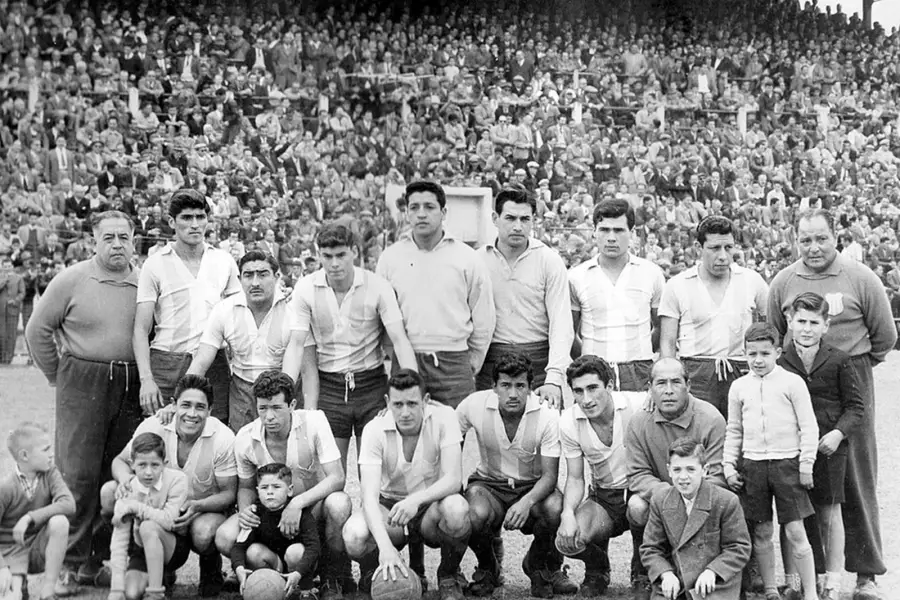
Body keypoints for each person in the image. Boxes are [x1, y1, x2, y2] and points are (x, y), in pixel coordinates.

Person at [768, 208, 896, 600]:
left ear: (835, 236)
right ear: (795, 240)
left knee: (855, 478)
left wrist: (850, 366)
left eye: (821, 238)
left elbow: (885, 336)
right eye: (805, 240)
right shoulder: (784, 281)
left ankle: (865, 574)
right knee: (799, 475)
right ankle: (812, 576)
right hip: (798, 380)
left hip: (850, 377)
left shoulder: (860, 277)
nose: (813, 247)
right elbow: (775, 332)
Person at [25, 211, 143, 585]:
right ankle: (63, 565)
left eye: (123, 237)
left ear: (134, 240)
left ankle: (96, 561)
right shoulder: (73, 278)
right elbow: (37, 330)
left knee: (117, 474)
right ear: (93, 240)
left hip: (129, 383)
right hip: (82, 380)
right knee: (77, 475)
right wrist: (57, 374)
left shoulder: (144, 281)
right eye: (108, 238)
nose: (117, 245)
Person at [282, 224, 417, 472]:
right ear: (319, 254)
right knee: (331, 473)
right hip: (330, 387)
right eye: (327, 256)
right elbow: (296, 345)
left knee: (375, 470)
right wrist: (283, 387)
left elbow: (399, 339)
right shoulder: (306, 287)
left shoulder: (377, 286)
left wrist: (411, 387)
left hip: (371, 384)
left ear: (354, 251)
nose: (334, 264)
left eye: (341, 255)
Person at [220, 371, 352, 600]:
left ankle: (332, 576)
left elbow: (337, 477)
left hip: (312, 509)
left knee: (339, 503)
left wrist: (297, 504)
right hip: (271, 516)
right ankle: (270, 575)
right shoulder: (245, 437)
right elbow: (246, 486)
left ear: (292, 404)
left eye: (276, 408)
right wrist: (245, 512)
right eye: (263, 408)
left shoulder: (315, 421)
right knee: (225, 536)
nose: (269, 416)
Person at [102, 375, 238, 597]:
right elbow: (120, 461)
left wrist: (197, 505)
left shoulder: (222, 438)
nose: (192, 414)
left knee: (204, 533)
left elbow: (229, 493)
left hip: (198, 513)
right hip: (155, 511)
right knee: (109, 494)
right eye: (185, 405)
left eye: (200, 407)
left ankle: (210, 568)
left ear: (210, 410)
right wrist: (126, 480)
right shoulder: (155, 425)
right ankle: (147, 563)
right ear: (173, 405)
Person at [341, 369, 471, 600]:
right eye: (398, 404)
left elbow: (453, 479)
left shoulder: (445, 417)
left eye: (412, 403)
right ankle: (379, 573)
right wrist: (386, 548)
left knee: (457, 508)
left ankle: (448, 575)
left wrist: (416, 500)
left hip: (429, 505)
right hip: (390, 509)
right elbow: (369, 499)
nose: (405, 412)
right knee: (354, 534)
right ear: (387, 402)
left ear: (426, 401)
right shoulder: (374, 429)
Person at [456, 352, 575, 599]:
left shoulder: (547, 414)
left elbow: (550, 476)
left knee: (555, 508)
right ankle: (488, 568)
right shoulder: (473, 405)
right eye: (505, 386)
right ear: (493, 387)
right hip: (489, 484)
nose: (513, 394)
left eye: (520, 386)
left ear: (531, 387)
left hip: (532, 486)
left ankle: (538, 565)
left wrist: (526, 502)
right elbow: (448, 438)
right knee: (471, 512)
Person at [376, 180, 495, 407]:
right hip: (406, 359)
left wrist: (473, 359)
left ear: (443, 212)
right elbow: (381, 315)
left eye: (429, 207)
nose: (421, 214)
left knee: (453, 436)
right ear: (406, 213)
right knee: (408, 436)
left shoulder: (467, 258)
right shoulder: (390, 258)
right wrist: (393, 356)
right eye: (414, 207)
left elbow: (483, 315)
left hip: (454, 363)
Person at [777, 292, 865, 600]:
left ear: (826, 325)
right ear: (790, 322)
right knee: (791, 515)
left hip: (828, 449)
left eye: (814, 322)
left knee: (829, 513)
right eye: (801, 321)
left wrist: (838, 434)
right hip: (789, 450)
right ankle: (793, 581)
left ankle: (832, 581)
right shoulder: (779, 361)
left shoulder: (840, 360)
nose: (806, 328)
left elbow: (856, 407)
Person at [723, 323, 819, 600]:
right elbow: (734, 429)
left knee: (795, 530)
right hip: (753, 465)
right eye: (751, 354)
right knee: (762, 530)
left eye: (765, 353)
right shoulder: (739, 387)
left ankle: (810, 592)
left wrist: (806, 463)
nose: (758, 360)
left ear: (778, 351)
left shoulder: (792, 382)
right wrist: (729, 465)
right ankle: (770, 590)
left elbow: (808, 426)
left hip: (787, 464)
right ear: (744, 353)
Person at [134, 188, 241, 425]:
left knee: (214, 433)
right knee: (159, 436)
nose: (195, 225)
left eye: (200, 217)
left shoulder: (223, 261)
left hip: (214, 362)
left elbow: (238, 315)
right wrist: (147, 379)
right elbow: (141, 329)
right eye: (186, 218)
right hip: (167, 362)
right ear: (172, 222)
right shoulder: (155, 264)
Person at [624, 357, 727, 597]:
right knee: (636, 505)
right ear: (649, 388)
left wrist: (689, 497)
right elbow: (637, 474)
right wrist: (672, 498)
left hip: (702, 500)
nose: (668, 390)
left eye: (675, 382)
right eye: (661, 383)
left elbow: (717, 475)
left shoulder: (711, 419)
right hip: (661, 500)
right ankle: (643, 571)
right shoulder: (639, 422)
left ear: (688, 385)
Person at [187, 251, 318, 431]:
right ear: (240, 279)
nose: (255, 282)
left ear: (277, 276)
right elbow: (202, 358)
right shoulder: (224, 310)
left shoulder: (294, 309)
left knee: (285, 451)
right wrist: (182, 395)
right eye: (249, 275)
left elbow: (307, 366)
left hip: (283, 389)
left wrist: (309, 413)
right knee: (243, 450)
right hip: (242, 393)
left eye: (263, 274)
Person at [554, 355, 649, 600]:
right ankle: (598, 570)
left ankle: (642, 572)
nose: (586, 399)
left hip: (641, 493)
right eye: (578, 391)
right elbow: (575, 478)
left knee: (640, 509)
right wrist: (567, 513)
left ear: (609, 385)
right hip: (605, 498)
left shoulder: (637, 404)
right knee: (568, 540)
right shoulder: (568, 421)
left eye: (593, 388)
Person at [659, 216, 769, 416]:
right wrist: (669, 383)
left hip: (740, 370)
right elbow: (667, 342)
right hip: (696, 373)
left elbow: (770, 327)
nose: (723, 256)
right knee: (696, 438)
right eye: (715, 248)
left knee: (741, 437)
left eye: (729, 248)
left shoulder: (752, 280)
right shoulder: (677, 285)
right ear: (698, 247)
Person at [476, 185, 573, 408]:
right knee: (492, 433)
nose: (518, 227)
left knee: (542, 433)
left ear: (533, 220)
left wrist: (554, 377)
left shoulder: (549, 260)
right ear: (495, 218)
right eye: (510, 218)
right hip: (491, 358)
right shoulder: (477, 261)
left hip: (537, 359)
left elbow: (561, 322)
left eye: (525, 219)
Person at [569, 198, 665, 391]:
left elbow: (662, 328)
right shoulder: (576, 276)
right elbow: (569, 333)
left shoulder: (651, 273)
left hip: (640, 370)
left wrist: (640, 352)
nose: (611, 237)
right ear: (594, 231)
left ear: (632, 232)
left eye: (619, 230)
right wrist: (590, 359)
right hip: (593, 372)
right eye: (604, 230)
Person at [640, 438, 751, 600]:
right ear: (669, 470)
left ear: (705, 470)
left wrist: (713, 571)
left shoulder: (726, 501)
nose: (683, 477)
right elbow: (651, 548)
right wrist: (666, 573)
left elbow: (739, 547)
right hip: (676, 582)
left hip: (715, 582)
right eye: (677, 470)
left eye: (691, 469)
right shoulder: (660, 500)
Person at [104, 433, 189, 600]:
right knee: (131, 593)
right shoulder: (127, 490)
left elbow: (170, 521)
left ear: (164, 464)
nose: (148, 472)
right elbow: (119, 543)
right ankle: (163, 576)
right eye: (142, 465)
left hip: (173, 546)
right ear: (132, 465)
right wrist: (116, 589)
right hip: (141, 549)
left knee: (147, 526)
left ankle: (156, 593)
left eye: (155, 465)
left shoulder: (177, 480)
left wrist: (137, 507)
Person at [0, 423, 77, 600]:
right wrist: (2, 568)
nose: (52, 454)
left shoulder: (50, 473)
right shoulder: (5, 488)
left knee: (60, 522)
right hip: (7, 554)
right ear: (24, 456)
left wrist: (29, 517)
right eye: (46, 449)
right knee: (12, 597)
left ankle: (47, 591)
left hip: (35, 549)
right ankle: (18, 585)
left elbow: (69, 504)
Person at [230, 463, 320, 600]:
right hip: (275, 563)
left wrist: (298, 572)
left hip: (299, 566)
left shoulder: (300, 513)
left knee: (295, 551)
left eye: (276, 487)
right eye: (264, 488)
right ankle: (268, 587)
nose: (270, 492)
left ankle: (306, 589)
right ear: (257, 490)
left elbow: (314, 547)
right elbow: (238, 547)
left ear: (289, 490)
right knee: (253, 551)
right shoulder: (255, 513)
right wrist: (239, 569)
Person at [0, 258, 25, 364]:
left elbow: (22, 293)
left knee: (11, 334)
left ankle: (8, 357)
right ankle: (1, 356)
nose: (7, 268)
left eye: (9, 266)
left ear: (12, 267)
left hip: (12, 309)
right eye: (5, 267)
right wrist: (3, 281)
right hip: (1, 309)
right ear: (2, 267)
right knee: (2, 333)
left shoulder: (19, 278)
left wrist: (15, 301)